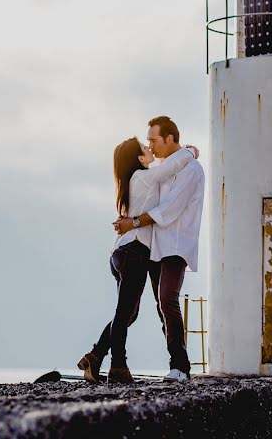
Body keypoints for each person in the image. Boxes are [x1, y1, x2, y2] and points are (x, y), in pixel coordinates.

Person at [77, 135, 198, 384]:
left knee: (128, 315)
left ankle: (96, 355)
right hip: (134, 251)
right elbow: (171, 167)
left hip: (121, 253)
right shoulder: (143, 178)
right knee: (124, 315)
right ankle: (118, 367)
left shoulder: (131, 181)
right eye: (144, 147)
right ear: (139, 158)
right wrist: (191, 151)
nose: (149, 147)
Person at [113, 116, 205, 383]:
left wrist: (134, 223)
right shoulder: (163, 168)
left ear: (170, 139)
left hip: (176, 245)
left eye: (153, 140)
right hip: (153, 247)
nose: (150, 146)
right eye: (148, 142)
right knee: (158, 306)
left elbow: (169, 210)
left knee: (167, 299)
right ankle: (101, 356)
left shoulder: (191, 170)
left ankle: (180, 366)